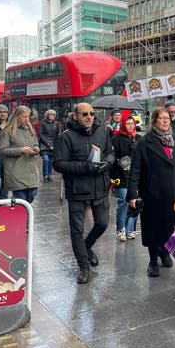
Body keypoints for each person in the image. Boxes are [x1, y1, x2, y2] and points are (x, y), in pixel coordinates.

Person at [53, 103, 115, 285]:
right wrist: (84, 167)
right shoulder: (66, 137)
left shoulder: (102, 132)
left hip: (100, 188)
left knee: (103, 223)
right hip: (78, 190)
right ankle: (83, 266)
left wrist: (107, 163)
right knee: (76, 231)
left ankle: (86, 247)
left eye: (92, 114)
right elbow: (59, 164)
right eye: (85, 114)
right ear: (75, 116)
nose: (89, 117)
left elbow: (111, 153)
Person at [127, 107, 175, 278]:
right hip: (153, 194)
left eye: (167, 118)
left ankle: (165, 251)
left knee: (173, 227)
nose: (165, 120)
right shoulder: (144, 143)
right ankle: (153, 260)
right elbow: (135, 170)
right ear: (154, 121)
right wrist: (132, 194)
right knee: (153, 228)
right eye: (161, 118)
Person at [0, 106, 40, 203]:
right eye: (24, 117)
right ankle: (20, 215)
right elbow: (2, 150)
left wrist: (36, 148)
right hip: (16, 170)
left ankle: (21, 213)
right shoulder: (8, 131)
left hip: (30, 170)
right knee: (22, 200)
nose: (27, 119)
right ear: (17, 116)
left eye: (28, 117)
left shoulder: (29, 129)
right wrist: (21, 150)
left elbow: (35, 143)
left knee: (32, 194)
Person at [111, 115, 142, 242]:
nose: (130, 126)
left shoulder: (138, 139)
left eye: (132, 123)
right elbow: (112, 157)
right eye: (128, 123)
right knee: (123, 202)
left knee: (135, 203)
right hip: (121, 176)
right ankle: (120, 229)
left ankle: (130, 229)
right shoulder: (116, 139)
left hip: (135, 177)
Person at [39, 109, 60, 182]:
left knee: (51, 161)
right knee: (46, 159)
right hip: (44, 145)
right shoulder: (43, 123)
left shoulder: (56, 123)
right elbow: (40, 134)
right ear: (47, 115)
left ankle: (49, 175)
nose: (52, 116)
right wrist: (47, 143)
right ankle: (45, 175)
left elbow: (58, 133)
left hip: (53, 144)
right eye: (50, 115)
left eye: (53, 115)